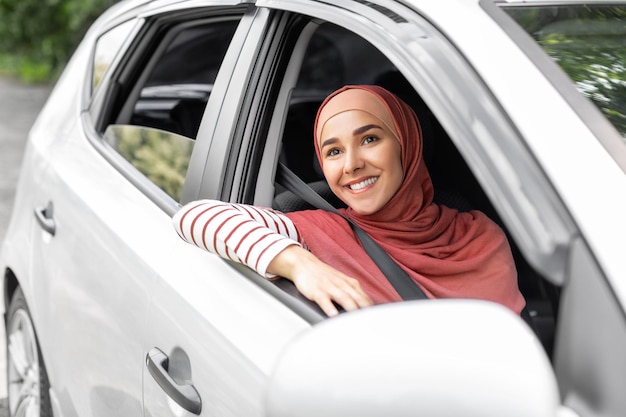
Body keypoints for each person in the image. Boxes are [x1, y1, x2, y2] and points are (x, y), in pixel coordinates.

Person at [173, 85, 526, 317]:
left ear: (408, 143)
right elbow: (194, 216)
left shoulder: (479, 235)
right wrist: (301, 265)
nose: (352, 164)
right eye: (334, 151)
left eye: (370, 139)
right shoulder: (315, 231)